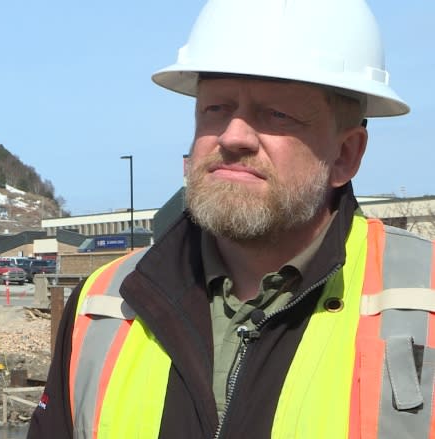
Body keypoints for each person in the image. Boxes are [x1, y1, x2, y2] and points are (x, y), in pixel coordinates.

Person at [27, 1, 431, 438]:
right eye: (216, 108)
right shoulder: (103, 307)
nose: (233, 136)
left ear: (345, 154)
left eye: (276, 113)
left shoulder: (421, 301)